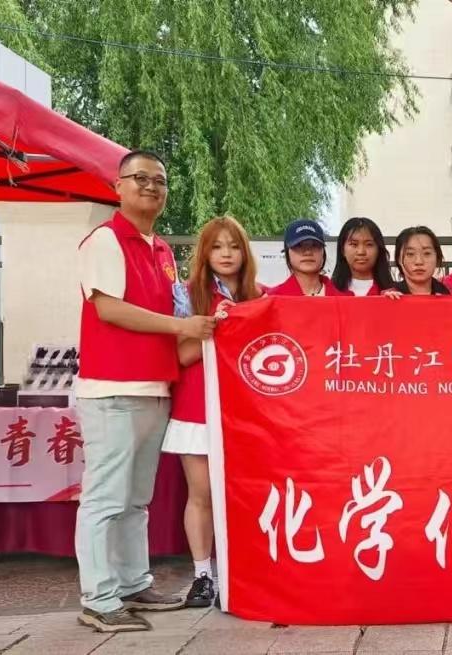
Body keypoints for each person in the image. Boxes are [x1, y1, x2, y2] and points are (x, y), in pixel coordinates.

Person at [76, 150, 216, 633]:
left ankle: (134, 583)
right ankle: (98, 597)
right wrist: (182, 326)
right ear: (118, 186)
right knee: (105, 498)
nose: (152, 187)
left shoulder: (161, 251)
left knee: (136, 499)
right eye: (140, 178)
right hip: (112, 389)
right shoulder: (105, 239)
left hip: (156, 387)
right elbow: (109, 309)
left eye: (160, 181)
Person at [163, 216, 262, 608]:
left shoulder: (260, 296)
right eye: (217, 246)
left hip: (249, 412)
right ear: (204, 253)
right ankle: (203, 576)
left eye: (234, 246)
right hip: (197, 407)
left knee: (244, 494)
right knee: (202, 492)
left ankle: (246, 573)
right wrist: (213, 329)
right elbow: (181, 355)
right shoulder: (187, 294)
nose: (226, 254)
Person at [269, 219, 349, 296]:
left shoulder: (347, 299)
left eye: (315, 245)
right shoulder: (271, 298)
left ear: (323, 252)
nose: (308, 252)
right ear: (287, 252)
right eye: (298, 245)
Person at [331, 217, 396, 296]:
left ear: (379, 249)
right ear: (342, 250)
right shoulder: (328, 291)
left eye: (369, 244)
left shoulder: (394, 293)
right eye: (354, 244)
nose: (361, 252)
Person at [394, 226, 451, 295]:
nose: (419, 262)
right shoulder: (388, 295)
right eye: (410, 254)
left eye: (427, 253)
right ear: (399, 260)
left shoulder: (450, 295)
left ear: (437, 258)